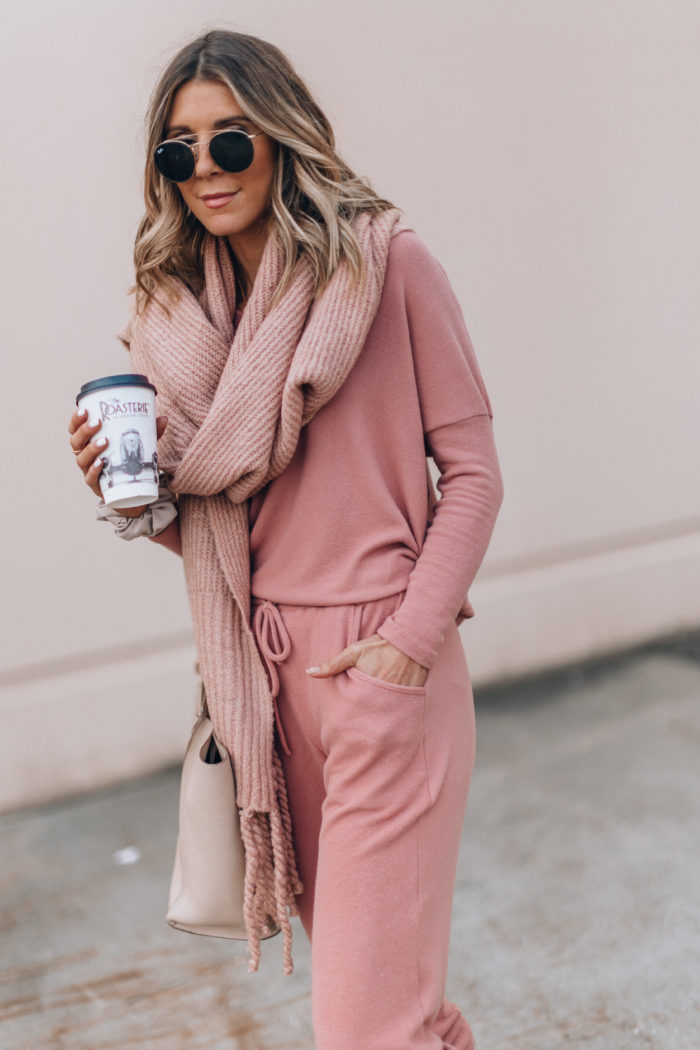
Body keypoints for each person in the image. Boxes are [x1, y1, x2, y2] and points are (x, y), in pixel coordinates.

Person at [68, 29, 503, 1050]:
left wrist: (405, 646)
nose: (206, 170)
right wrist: (134, 500)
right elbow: (230, 528)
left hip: (379, 667)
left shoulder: (387, 264)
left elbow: (474, 476)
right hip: (262, 685)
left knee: (363, 1027)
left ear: (279, 136)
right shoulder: (180, 316)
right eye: (179, 152)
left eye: (229, 141)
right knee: (399, 1007)